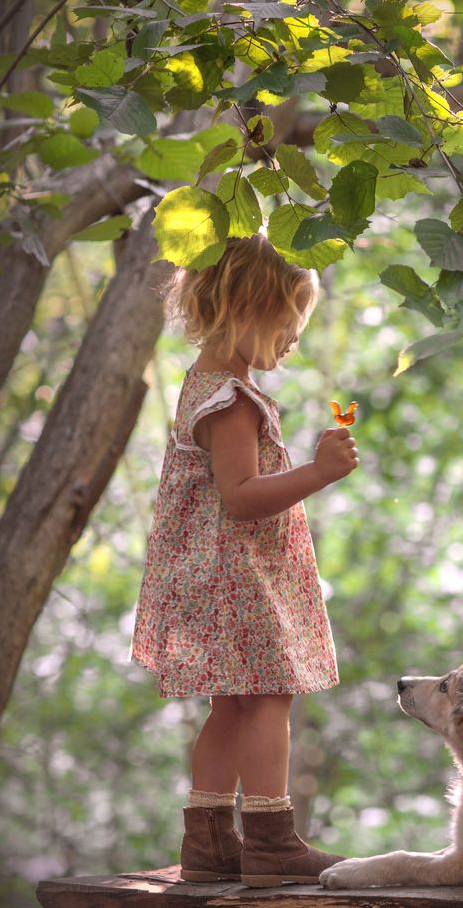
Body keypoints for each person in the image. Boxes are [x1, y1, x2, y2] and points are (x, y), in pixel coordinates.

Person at [130, 234, 359, 887]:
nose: (293, 339)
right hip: (238, 577)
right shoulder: (228, 400)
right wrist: (318, 472)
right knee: (268, 695)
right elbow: (239, 499)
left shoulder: (208, 384)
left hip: (215, 575)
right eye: (288, 322)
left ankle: (207, 840)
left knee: (231, 704)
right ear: (247, 307)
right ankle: (270, 837)